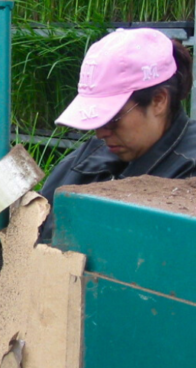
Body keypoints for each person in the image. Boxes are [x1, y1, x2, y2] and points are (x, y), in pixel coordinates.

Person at [39, 28, 195, 241]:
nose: (101, 133)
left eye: (114, 117)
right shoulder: (86, 160)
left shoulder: (189, 173)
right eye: (98, 120)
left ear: (159, 101)